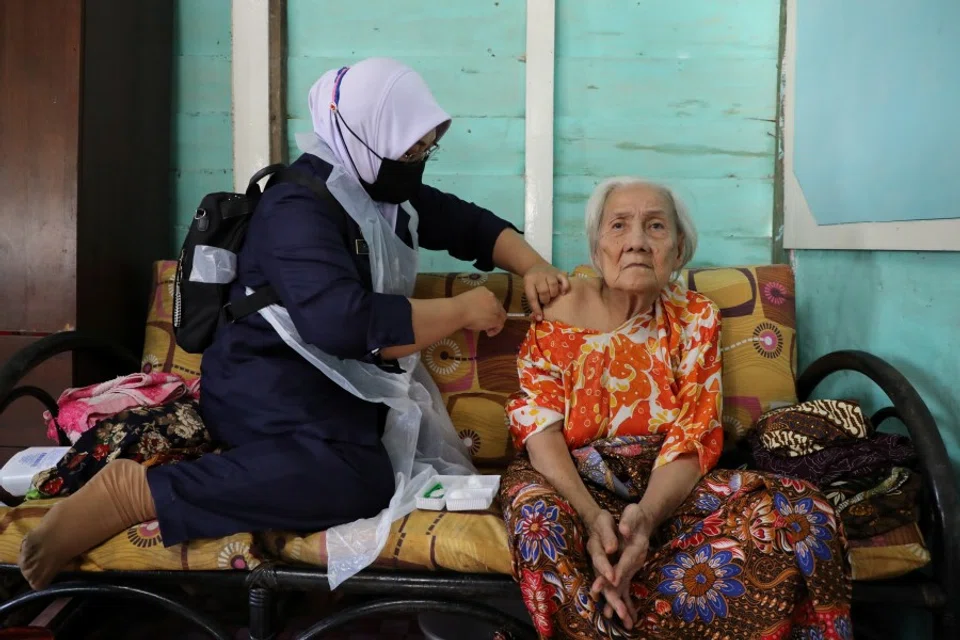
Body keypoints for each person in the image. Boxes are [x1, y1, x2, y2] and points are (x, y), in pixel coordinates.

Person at [19, 57, 569, 590]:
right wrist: (461, 310)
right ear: (364, 133)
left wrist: (533, 266)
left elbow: (470, 224)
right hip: (265, 385)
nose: (420, 159)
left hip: (336, 388)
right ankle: (137, 493)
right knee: (357, 480)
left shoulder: (382, 191)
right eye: (411, 146)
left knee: (378, 469)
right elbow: (340, 321)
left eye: (427, 147)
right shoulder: (297, 207)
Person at [499, 177, 853, 638]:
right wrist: (593, 519)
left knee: (804, 511)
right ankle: (612, 591)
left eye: (656, 227)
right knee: (537, 522)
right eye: (619, 226)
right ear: (596, 246)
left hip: (666, 485)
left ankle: (627, 586)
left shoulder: (695, 316)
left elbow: (694, 432)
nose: (637, 243)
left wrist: (644, 520)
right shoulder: (556, 309)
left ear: (680, 248)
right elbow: (539, 430)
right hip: (569, 479)